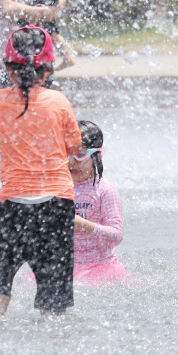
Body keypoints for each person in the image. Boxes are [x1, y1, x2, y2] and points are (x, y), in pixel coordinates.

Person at [0, 26, 84, 317]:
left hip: (13, 203)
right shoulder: (59, 101)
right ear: (48, 70)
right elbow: (75, 147)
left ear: (8, 69)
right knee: (54, 288)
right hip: (56, 203)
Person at [70, 120, 127, 282]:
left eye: (80, 154)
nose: (71, 161)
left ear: (98, 154)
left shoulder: (104, 190)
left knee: (82, 286)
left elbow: (116, 236)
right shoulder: (58, 190)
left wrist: (83, 225)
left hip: (99, 266)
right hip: (66, 264)